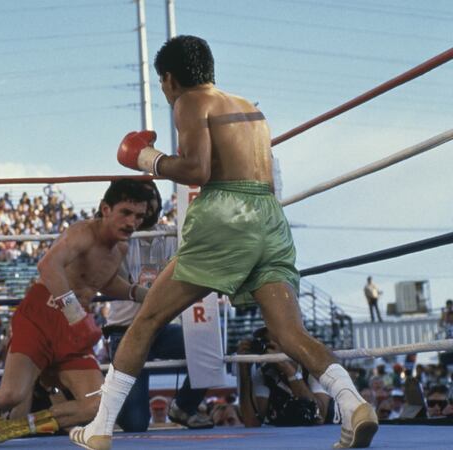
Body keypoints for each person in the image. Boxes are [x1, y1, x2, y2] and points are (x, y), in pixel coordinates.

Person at [72, 35, 377, 450]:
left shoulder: (191, 102)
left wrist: (147, 158)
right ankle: (354, 403)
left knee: (144, 322)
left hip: (227, 216)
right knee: (289, 332)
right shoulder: (252, 110)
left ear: (169, 78)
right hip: (269, 218)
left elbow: (196, 169)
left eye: (164, 85)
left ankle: (100, 429)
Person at [0, 179, 153, 448]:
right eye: (126, 213)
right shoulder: (82, 232)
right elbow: (48, 265)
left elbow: (101, 280)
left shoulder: (120, 247)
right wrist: (75, 314)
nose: (132, 223)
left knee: (98, 403)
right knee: (10, 395)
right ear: (106, 209)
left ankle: (13, 427)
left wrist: (139, 293)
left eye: (139, 216)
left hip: (73, 327)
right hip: (43, 316)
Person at [100, 180, 211, 431]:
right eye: (141, 200)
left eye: (152, 197)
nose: (148, 204)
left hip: (160, 326)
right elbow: (108, 280)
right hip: (125, 330)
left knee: (207, 345)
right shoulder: (118, 236)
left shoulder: (172, 235)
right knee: (135, 424)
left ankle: (184, 406)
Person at [238, 327, 333, 427]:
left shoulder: (315, 369)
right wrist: (244, 372)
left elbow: (319, 416)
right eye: (265, 342)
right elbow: (251, 422)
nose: (269, 347)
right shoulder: (265, 374)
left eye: (275, 341)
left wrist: (288, 369)